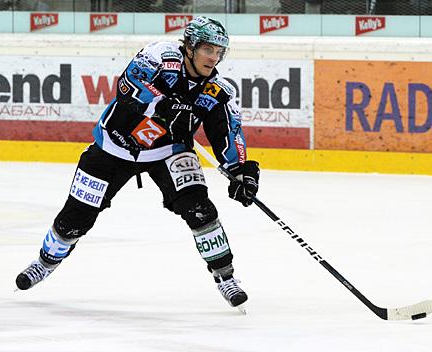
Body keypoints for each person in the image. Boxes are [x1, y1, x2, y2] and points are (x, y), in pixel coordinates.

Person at [15, 16, 260, 310]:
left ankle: (226, 276)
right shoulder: (161, 55)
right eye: (208, 49)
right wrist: (160, 104)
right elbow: (128, 84)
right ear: (191, 46)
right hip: (114, 145)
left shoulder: (218, 91)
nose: (214, 57)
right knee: (75, 218)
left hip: (168, 151)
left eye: (219, 52)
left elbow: (228, 132)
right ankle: (45, 261)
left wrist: (241, 171)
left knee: (201, 211)